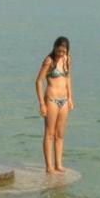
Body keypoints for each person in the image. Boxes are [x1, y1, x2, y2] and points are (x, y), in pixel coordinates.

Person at [35, 36, 74, 173]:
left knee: (60, 134)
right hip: (51, 100)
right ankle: (49, 166)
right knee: (49, 133)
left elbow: (68, 78)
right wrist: (41, 103)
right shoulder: (49, 61)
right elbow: (39, 81)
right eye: (58, 51)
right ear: (54, 48)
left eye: (63, 52)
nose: (60, 54)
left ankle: (58, 164)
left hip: (63, 100)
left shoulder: (67, 59)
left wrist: (70, 98)